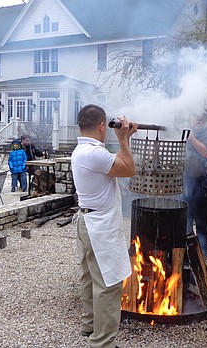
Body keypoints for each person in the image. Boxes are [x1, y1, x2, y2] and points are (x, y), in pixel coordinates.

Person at [71, 104, 137, 348]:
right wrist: (123, 138)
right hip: (100, 226)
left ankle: (89, 326)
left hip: (87, 222)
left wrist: (124, 139)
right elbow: (128, 169)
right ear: (101, 126)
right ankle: (103, 343)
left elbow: (116, 162)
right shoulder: (93, 154)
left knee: (89, 278)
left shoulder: (82, 150)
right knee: (108, 284)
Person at [182, 112, 207, 260]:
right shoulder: (186, 133)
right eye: (195, 116)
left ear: (206, 120)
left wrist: (190, 137)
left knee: (203, 224)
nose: (198, 119)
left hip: (205, 183)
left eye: (201, 117)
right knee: (185, 221)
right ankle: (187, 257)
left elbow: (205, 153)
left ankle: (203, 259)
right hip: (187, 181)